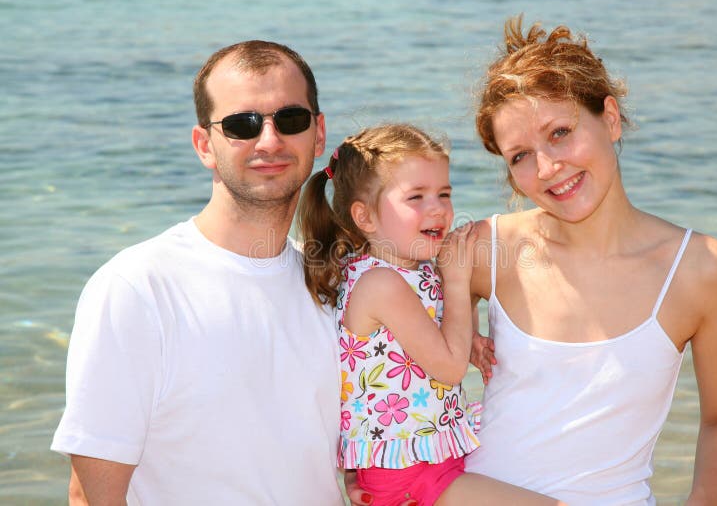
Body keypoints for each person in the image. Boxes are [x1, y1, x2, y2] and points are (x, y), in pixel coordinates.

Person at [463, 17, 717, 505]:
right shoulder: (485, 249)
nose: (548, 168)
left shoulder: (702, 269)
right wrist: (454, 324)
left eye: (560, 132)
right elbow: (374, 322)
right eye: (520, 156)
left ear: (611, 119)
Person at [51, 40, 345, 505]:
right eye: (241, 125)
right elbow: (91, 497)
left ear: (319, 133)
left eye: (290, 119)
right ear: (205, 145)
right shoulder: (138, 288)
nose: (269, 140)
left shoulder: (332, 287)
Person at [297, 124, 564, 506]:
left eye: (444, 193)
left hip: (432, 453)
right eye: (416, 197)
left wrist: (467, 338)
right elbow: (450, 369)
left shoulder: (411, 267)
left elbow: (418, 341)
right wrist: (456, 282)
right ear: (365, 217)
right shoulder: (381, 284)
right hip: (408, 472)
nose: (437, 208)